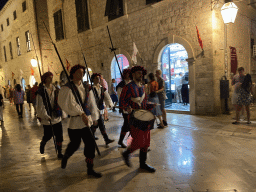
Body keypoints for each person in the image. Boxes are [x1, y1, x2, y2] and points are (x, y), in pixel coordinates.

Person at [58, 65, 102, 178]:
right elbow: (69, 104)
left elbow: (91, 103)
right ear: (72, 74)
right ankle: (66, 156)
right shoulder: (67, 88)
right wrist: (80, 113)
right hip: (75, 123)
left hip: (87, 122)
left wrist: (95, 117)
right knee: (75, 144)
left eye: (82, 72)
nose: (81, 74)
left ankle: (90, 169)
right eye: (78, 72)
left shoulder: (87, 87)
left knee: (90, 145)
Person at [121, 66, 156, 172]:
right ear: (133, 74)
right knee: (139, 141)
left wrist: (150, 105)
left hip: (144, 117)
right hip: (134, 118)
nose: (141, 75)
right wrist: (127, 107)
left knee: (146, 142)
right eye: (138, 73)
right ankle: (126, 153)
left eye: (141, 73)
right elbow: (122, 101)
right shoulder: (128, 87)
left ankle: (143, 164)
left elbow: (144, 103)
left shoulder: (142, 87)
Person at [37, 72, 64, 159]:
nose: (51, 79)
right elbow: (40, 105)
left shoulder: (56, 89)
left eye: (51, 77)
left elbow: (60, 102)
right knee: (48, 135)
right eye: (49, 77)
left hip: (56, 116)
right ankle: (43, 142)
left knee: (59, 136)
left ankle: (59, 152)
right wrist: (45, 115)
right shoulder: (41, 92)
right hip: (47, 118)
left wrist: (61, 113)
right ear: (45, 79)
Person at [90, 73, 115, 147]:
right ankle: (102, 138)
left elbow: (107, 96)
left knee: (99, 124)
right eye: (96, 78)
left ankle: (103, 139)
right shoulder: (90, 88)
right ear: (93, 79)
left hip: (100, 108)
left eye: (99, 78)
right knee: (98, 124)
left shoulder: (102, 88)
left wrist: (110, 103)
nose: (98, 79)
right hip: (93, 109)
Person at [116, 69, 131, 148]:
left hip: (133, 108)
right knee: (127, 125)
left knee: (131, 125)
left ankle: (121, 141)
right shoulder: (121, 86)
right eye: (128, 73)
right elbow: (120, 98)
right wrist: (125, 106)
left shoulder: (131, 83)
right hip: (126, 109)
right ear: (124, 75)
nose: (129, 75)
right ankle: (120, 141)